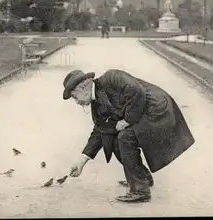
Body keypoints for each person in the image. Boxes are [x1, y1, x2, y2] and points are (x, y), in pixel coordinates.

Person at [63, 69, 195, 203]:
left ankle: (140, 190)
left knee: (124, 137)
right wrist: (81, 161)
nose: (76, 102)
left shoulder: (112, 77)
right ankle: (142, 178)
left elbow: (137, 92)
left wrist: (126, 120)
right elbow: (100, 130)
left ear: (83, 87)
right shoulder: (96, 104)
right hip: (142, 114)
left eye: (75, 96)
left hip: (157, 109)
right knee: (114, 140)